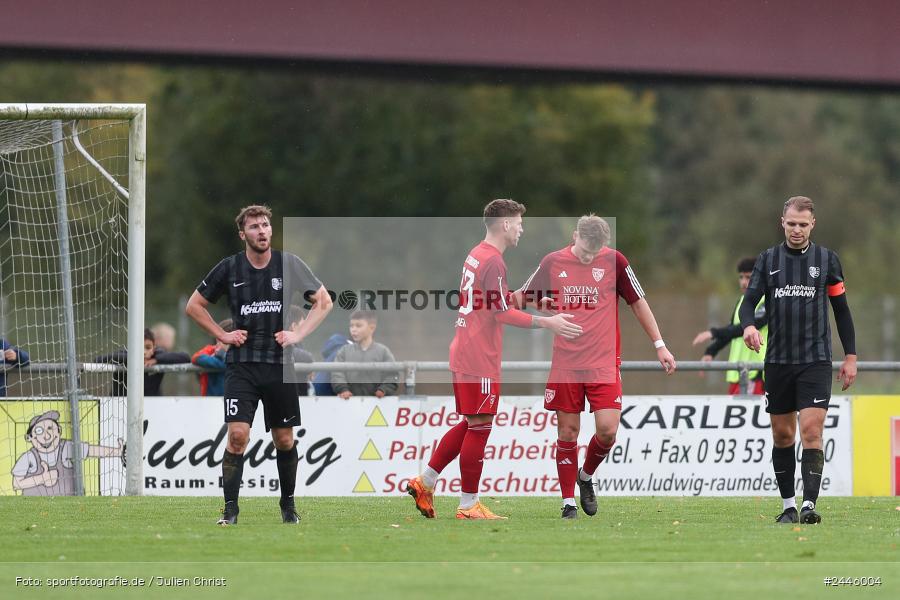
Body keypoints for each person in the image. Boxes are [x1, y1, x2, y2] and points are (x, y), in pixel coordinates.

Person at [406, 199, 582, 520]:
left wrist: (530, 300)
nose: (521, 229)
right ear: (504, 225)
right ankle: (468, 505)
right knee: (481, 425)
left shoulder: (477, 254)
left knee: (471, 422)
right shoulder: (494, 262)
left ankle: (426, 481)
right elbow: (501, 313)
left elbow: (496, 301)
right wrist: (548, 321)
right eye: (518, 223)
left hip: (465, 349)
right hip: (479, 356)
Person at [515, 215, 676, 518]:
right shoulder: (553, 262)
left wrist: (660, 345)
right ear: (574, 236)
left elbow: (638, 302)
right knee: (567, 432)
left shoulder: (615, 262)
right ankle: (566, 503)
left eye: (593, 253)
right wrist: (544, 306)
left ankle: (585, 476)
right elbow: (522, 298)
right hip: (566, 364)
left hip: (603, 362)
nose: (588, 257)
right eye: (584, 251)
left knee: (607, 431)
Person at [185, 204, 333, 525]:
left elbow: (324, 301)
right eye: (254, 227)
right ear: (243, 234)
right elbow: (194, 306)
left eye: (265, 225)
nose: (262, 231)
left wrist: (299, 334)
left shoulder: (288, 264)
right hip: (242, 366)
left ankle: (288, 506)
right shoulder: (230, 268)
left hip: (279, 365)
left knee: (284, 439)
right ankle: (230, 511)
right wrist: (221, 336)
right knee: (237, 435)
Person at [741, 196, 856, 525]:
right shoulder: (768, 260)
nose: (796, 230)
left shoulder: (827, 260)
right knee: (782, 434)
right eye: (791, 223)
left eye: (803, 225)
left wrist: (851, 356)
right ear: (783, 222)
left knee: (811, 430)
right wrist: (748, 325)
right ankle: (788, 505)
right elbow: (749, 302)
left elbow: (842, 311)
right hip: (778, 362)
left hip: (815, 361)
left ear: (812, 225)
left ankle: (809, 505)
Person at [692, 258, 768, 394]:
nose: (744, 282)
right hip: (736, 373)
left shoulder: (766, 301)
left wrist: (713, 333)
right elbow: (731, 330)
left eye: (749, 277)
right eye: (741, 277)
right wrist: (711, 351)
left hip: (755, 373)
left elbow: (742, 329)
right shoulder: (742, 302)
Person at [11, 410, 123, 496]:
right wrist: (41, 478)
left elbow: (91, 450)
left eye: (50, 428)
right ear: (29, 438)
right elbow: (16, 484)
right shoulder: (29, 457)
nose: (46, 436)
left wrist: (119, 452)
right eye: (39, 431)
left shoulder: (66, 448)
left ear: (59, 431)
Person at [96, 329, 190, 396]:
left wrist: (157, 359)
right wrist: (134, 359)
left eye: (148, 347)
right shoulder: (123, 355)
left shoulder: (159, 356)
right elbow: (98, 360)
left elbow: (185, 357)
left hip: (153, 407)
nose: (144, 351)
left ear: (154, 348)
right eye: (139, 347)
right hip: (119, 407)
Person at [331, 310, 399, 398]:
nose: (353, 329)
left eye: (358, 325)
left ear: (372, 328)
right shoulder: (344, 351)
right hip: (349, 404)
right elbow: (337, 374)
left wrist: (383, 389)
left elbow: (392, 375)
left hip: (378, 404)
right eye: (351, 326)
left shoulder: (383, 351)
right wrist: (343, 389)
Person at [192, 319, 233, 396]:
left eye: (223, 340)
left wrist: (223, 357)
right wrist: (221, 361)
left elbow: (230, 363)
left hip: (231, 399)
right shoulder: (212, 350)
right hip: (209, 400)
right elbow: (196, 357)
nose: (218, 343)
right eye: (218, 339)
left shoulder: (239, 353)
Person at [286, 305, 315, 396]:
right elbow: (307, 358)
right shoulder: (281, 343)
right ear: (294, 326)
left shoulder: (298, 344)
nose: (305, 330)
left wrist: (309, 369)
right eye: (302, 326)